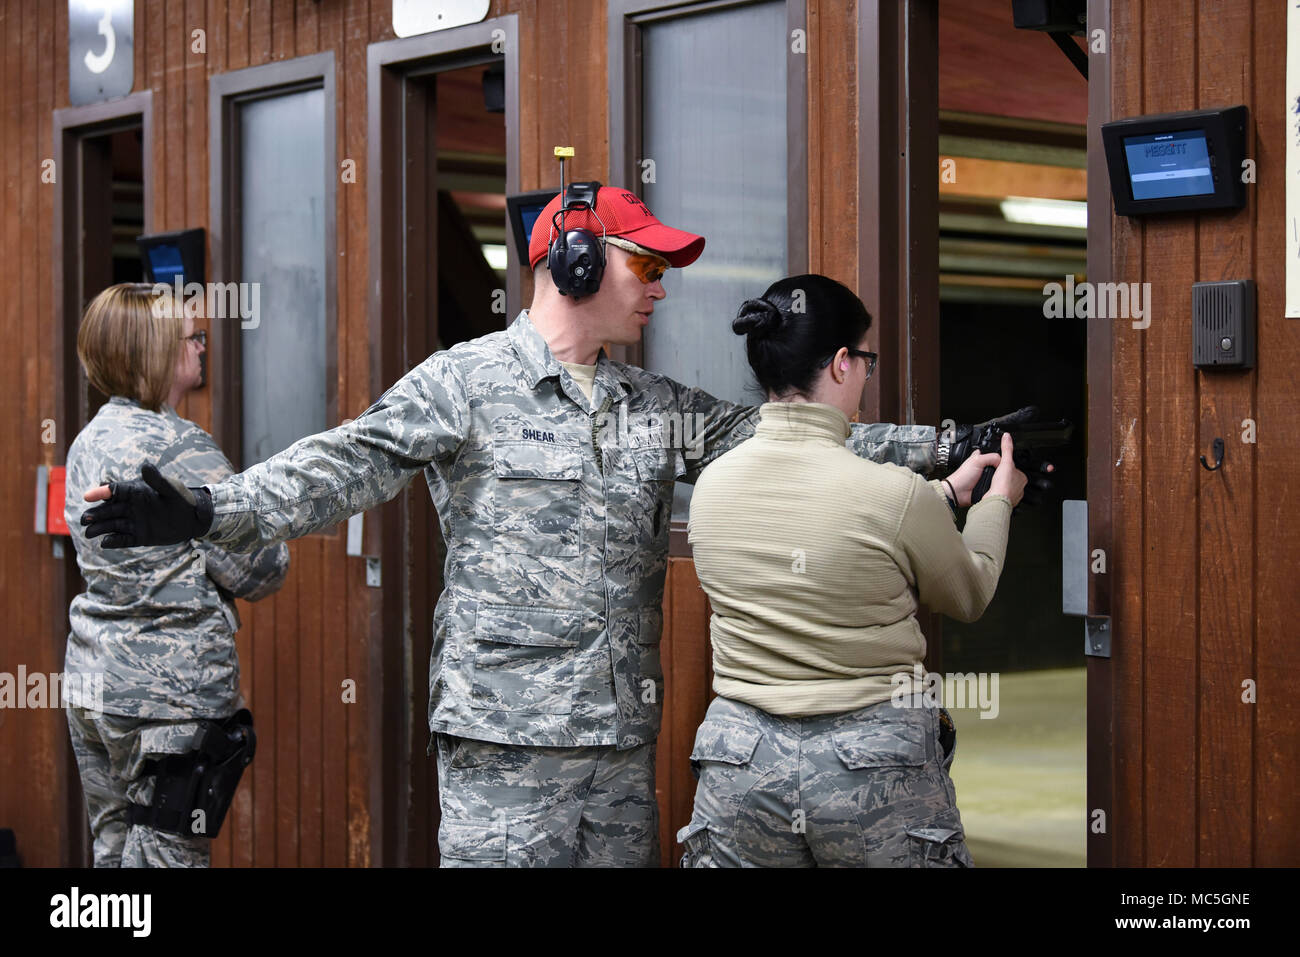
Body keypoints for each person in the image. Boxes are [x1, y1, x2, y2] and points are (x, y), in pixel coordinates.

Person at [80, 185, 1026, 867]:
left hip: (619, 749)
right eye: (644, 262)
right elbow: (345, 461)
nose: (660, 285)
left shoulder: (649, 401)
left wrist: (949, 444)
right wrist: (213, 506)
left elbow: (789, 431)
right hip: (505, 751)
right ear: (573, 260)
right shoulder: (467, 381)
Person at [676, 275, 1028, 867]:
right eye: (866, 360)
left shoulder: (711, 487)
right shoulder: (893, 493)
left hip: (739, 764)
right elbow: (967, 594)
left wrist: (940, 495)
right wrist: (998, 502)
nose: (866, 373)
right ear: (841, 363)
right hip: (871, 764)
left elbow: (829, 527)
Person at [63, 283, 289, 867]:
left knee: (112, 851)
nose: (201, 349)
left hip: (95, 682)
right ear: (155, 352)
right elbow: (263, 569)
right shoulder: (180, 447)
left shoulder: (88, 440)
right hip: (170, 697)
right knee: (169, 858)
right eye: (192, 338)